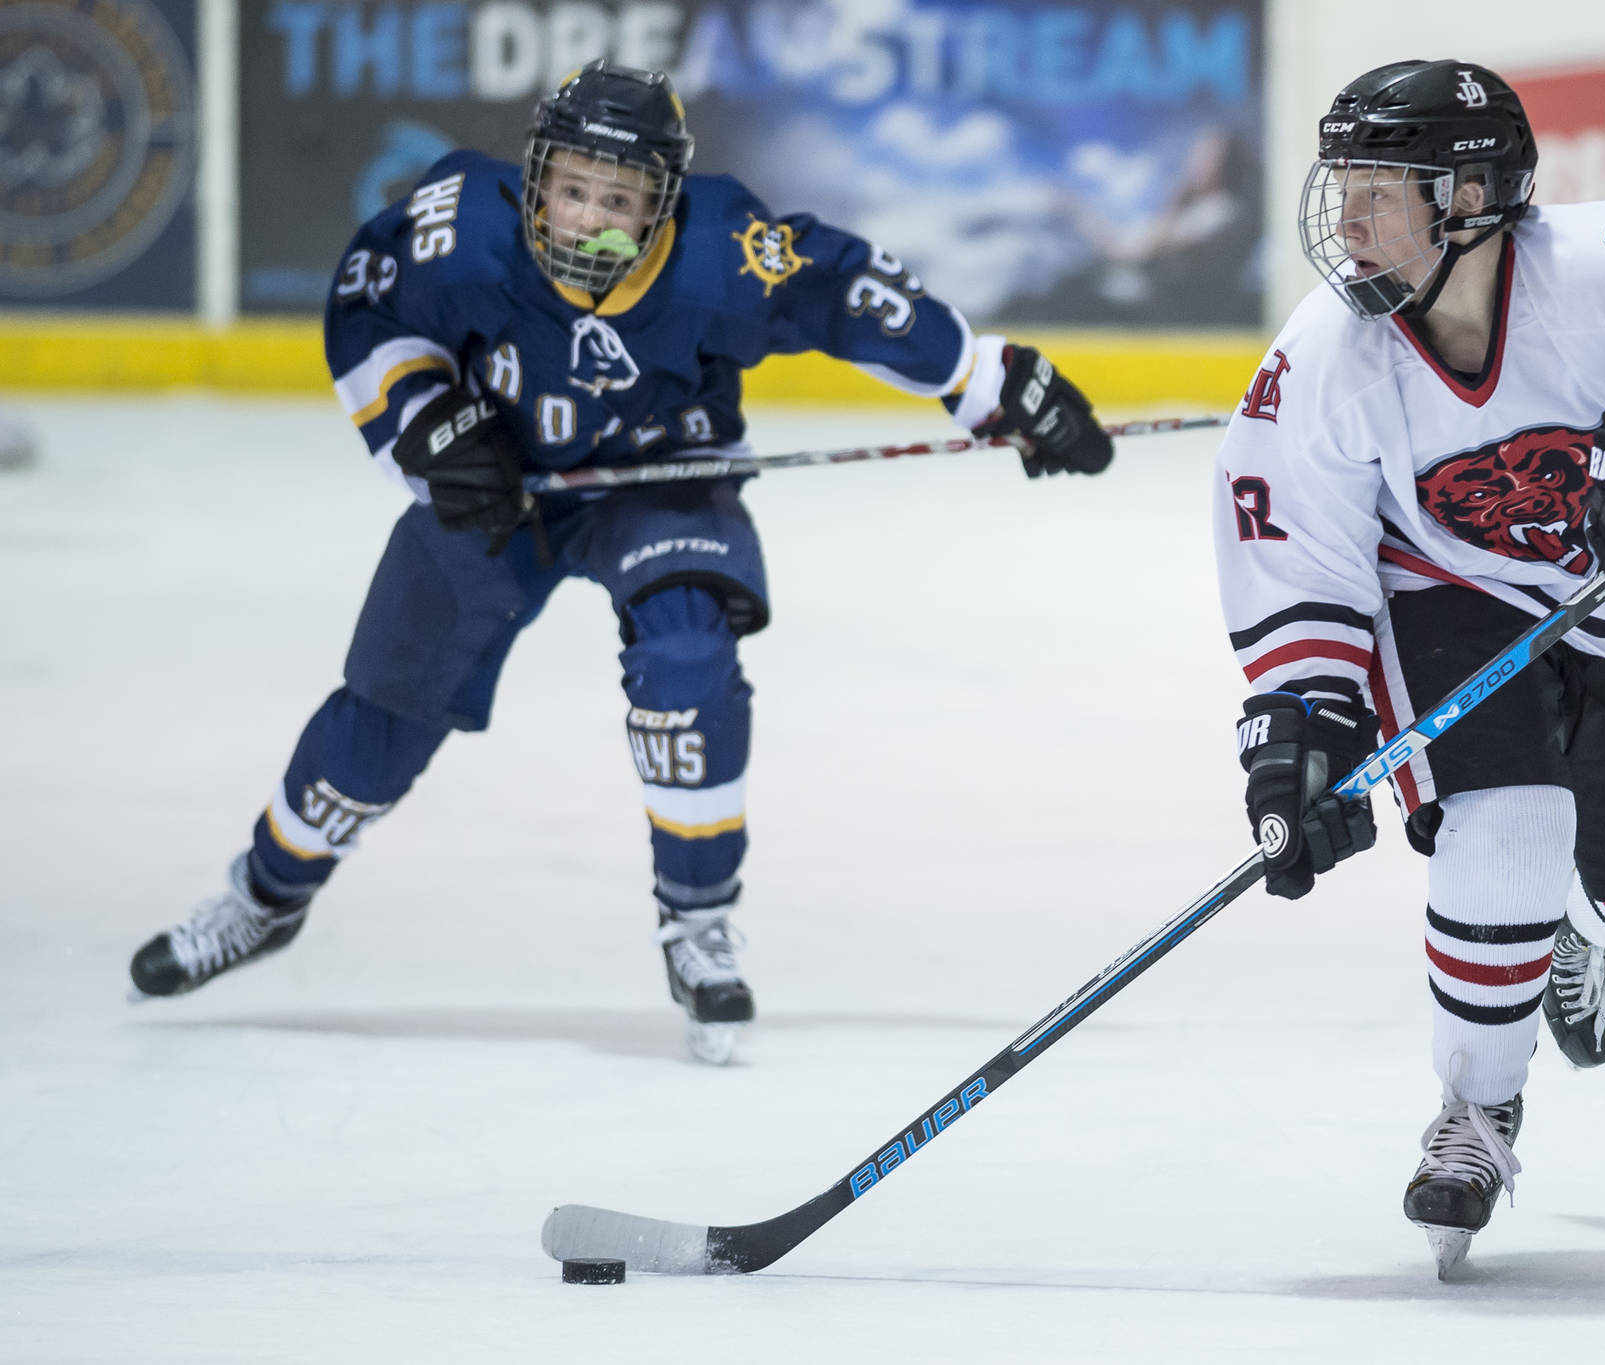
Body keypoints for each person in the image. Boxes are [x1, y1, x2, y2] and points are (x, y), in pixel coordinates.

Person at [128, 62, 1113, 1064]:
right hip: (501, 487)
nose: (587, 218)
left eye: (620, 197)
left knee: (687, 658)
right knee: (384, 708)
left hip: (660, 487)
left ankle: (695, 919)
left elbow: (847, 295)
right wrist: (428, 428)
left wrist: (992, 385)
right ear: (535, 176)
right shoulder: (462, 224)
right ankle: (264, 896)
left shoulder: (723, 256)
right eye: (571, 188)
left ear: (664, 205)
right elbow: (368, 304)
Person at [1214, 60, 1605, 1275]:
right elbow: (1295, 553)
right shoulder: (1324, 360)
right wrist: (1299, 728)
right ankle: (1477, 1108)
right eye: (1338, 189)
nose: (1343, 223)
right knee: (1501, 825)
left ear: (1469, 194)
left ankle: (1576, 929)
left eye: (1375, 193)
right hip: (1445, 598)